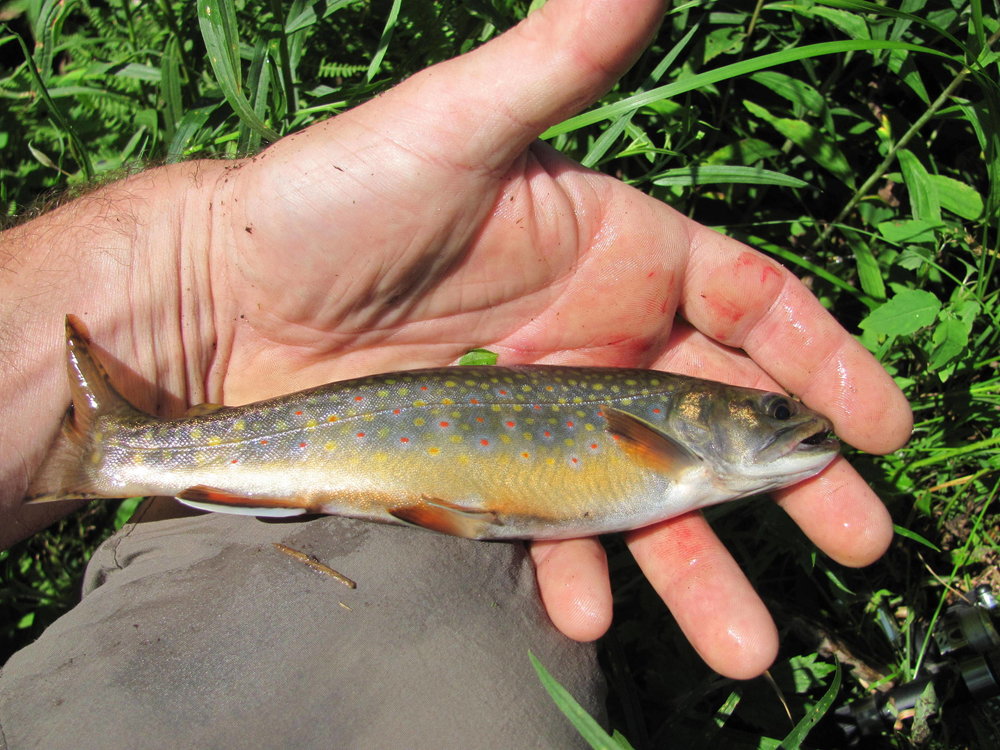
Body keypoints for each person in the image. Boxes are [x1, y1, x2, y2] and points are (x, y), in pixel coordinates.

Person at [0, 0, 911, 746]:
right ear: (696, 412)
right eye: (759, 410)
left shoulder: (673, 440)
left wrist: (191, 271)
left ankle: (119, 449)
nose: (780, 420)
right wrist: (195, 271)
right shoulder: (663, 438)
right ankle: (120, 450)